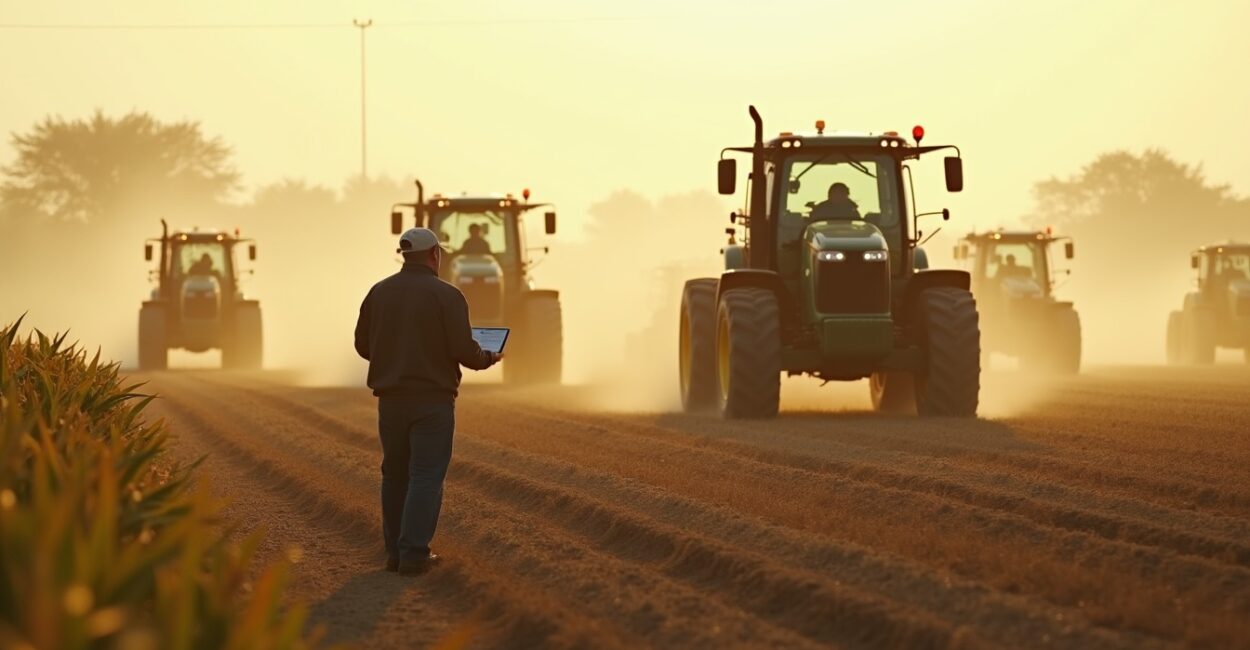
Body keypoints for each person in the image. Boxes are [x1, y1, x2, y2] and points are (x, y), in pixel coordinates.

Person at [354, 227, 502, 576]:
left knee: (394, 476)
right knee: (425, 476)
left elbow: (363, 346)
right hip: (433, 403)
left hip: (390, 402)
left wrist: (394, 355)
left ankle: (395, 553)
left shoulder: (378, 292)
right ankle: (414, 554)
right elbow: (465, 352)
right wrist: (488, 358)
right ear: (435, 254)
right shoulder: (448, 296)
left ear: (405, 254)